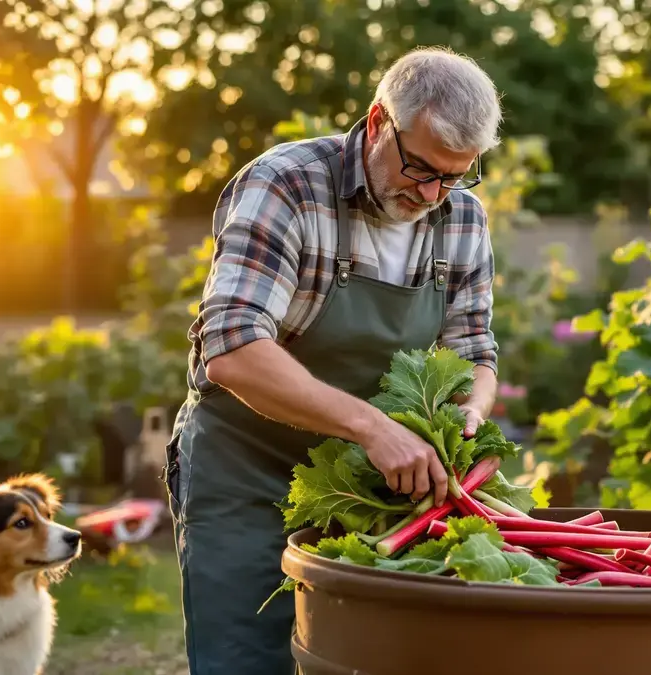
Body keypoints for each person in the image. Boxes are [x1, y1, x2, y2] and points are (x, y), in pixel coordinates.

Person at [162, 45, 503, 674]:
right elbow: (233, 347)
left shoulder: (463, 219)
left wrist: (467, 416)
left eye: (455, 176)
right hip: (247, 468)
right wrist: (373, 427)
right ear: (378, 123)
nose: (431, 194)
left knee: (364, 661)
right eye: (420, 168)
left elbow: (473, 351)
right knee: (245, 658)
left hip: (369, 483)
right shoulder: (286, 184)